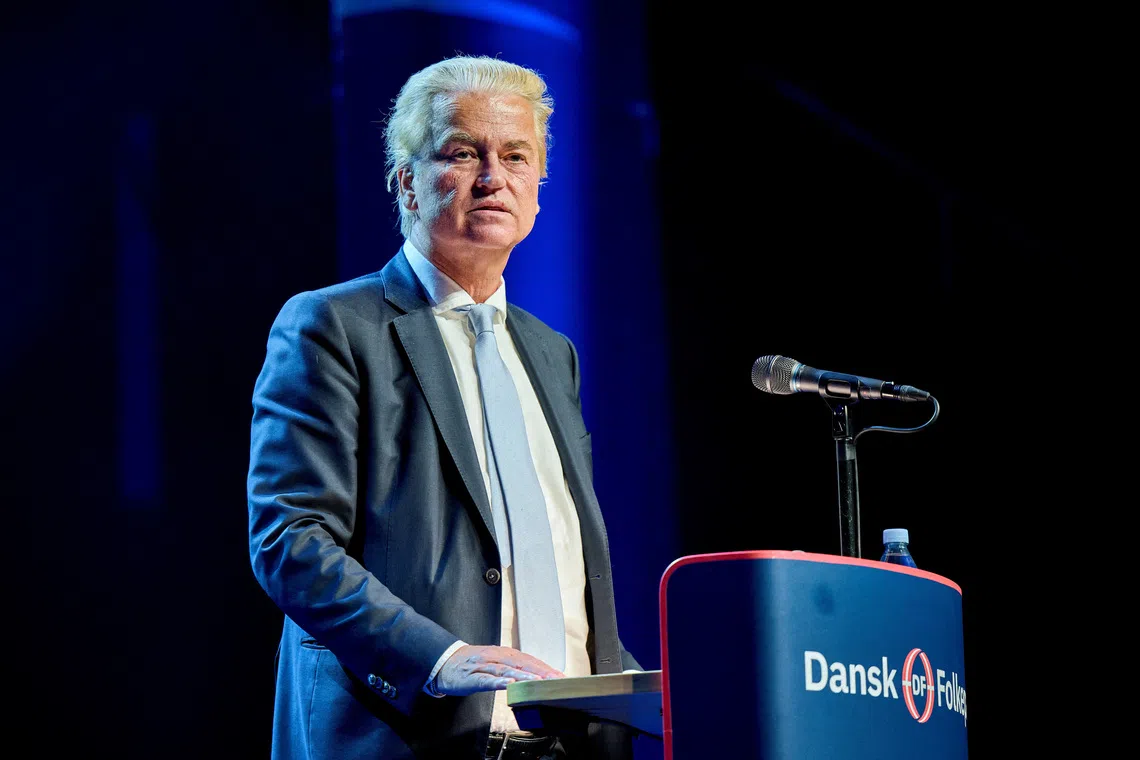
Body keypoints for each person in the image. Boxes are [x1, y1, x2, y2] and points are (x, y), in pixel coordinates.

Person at [247, 55, 642, 760]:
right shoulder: (333, 326)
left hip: (570, 745)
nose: (494, 178)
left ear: (539, 188)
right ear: (407, 182)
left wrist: (633, 682)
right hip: (409, 737)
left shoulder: (554, 354)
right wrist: (440, 657)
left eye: (516, 156)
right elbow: (292, 540)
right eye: (464, 153)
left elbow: (550, 558)